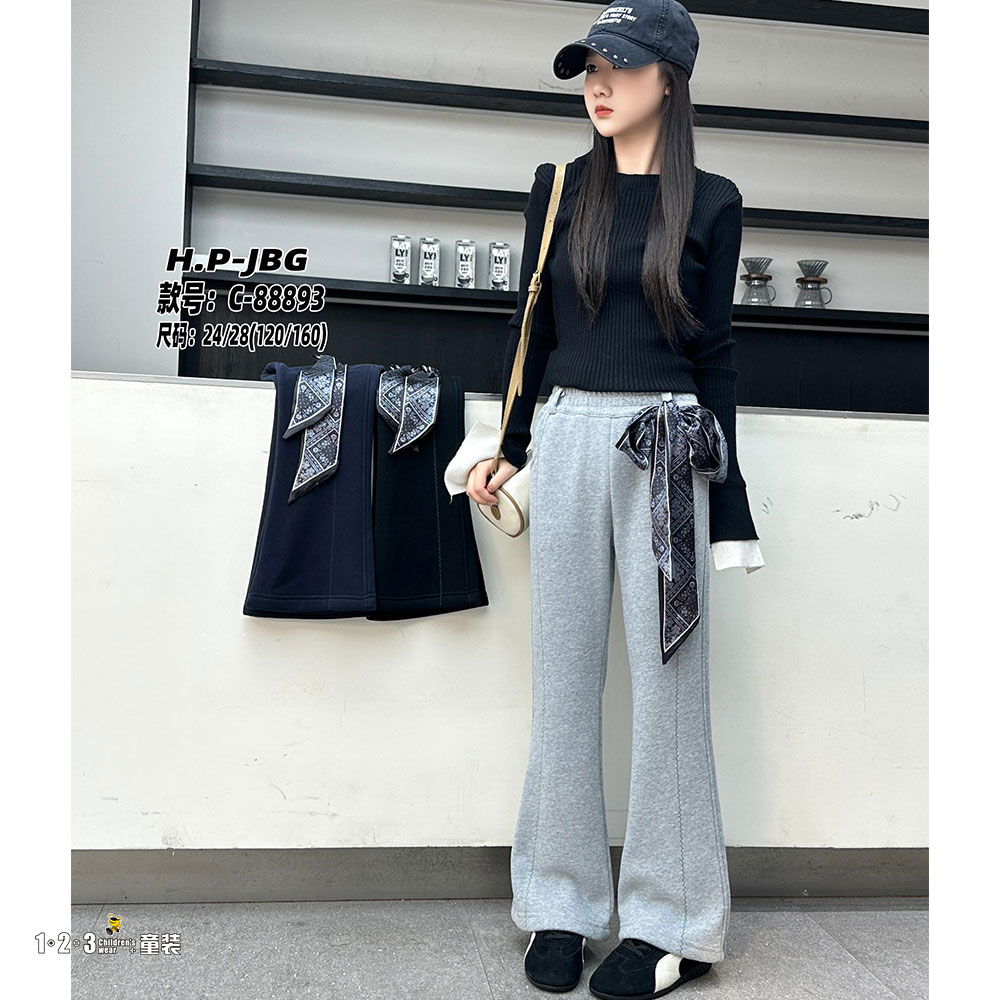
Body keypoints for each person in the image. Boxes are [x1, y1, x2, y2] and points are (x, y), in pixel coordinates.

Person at [466, 3, 765, 997]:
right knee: (562, 679)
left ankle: (672, 921)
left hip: (669, 447)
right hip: (565, 434)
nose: (599, 84)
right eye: (589, 67)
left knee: (670, 691)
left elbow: (716, 358)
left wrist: (732, 505)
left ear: (668, 79)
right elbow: (532, 331)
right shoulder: (558, 189)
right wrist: (510, 446)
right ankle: (558, 901)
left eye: (621, 66)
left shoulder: (712, 202)